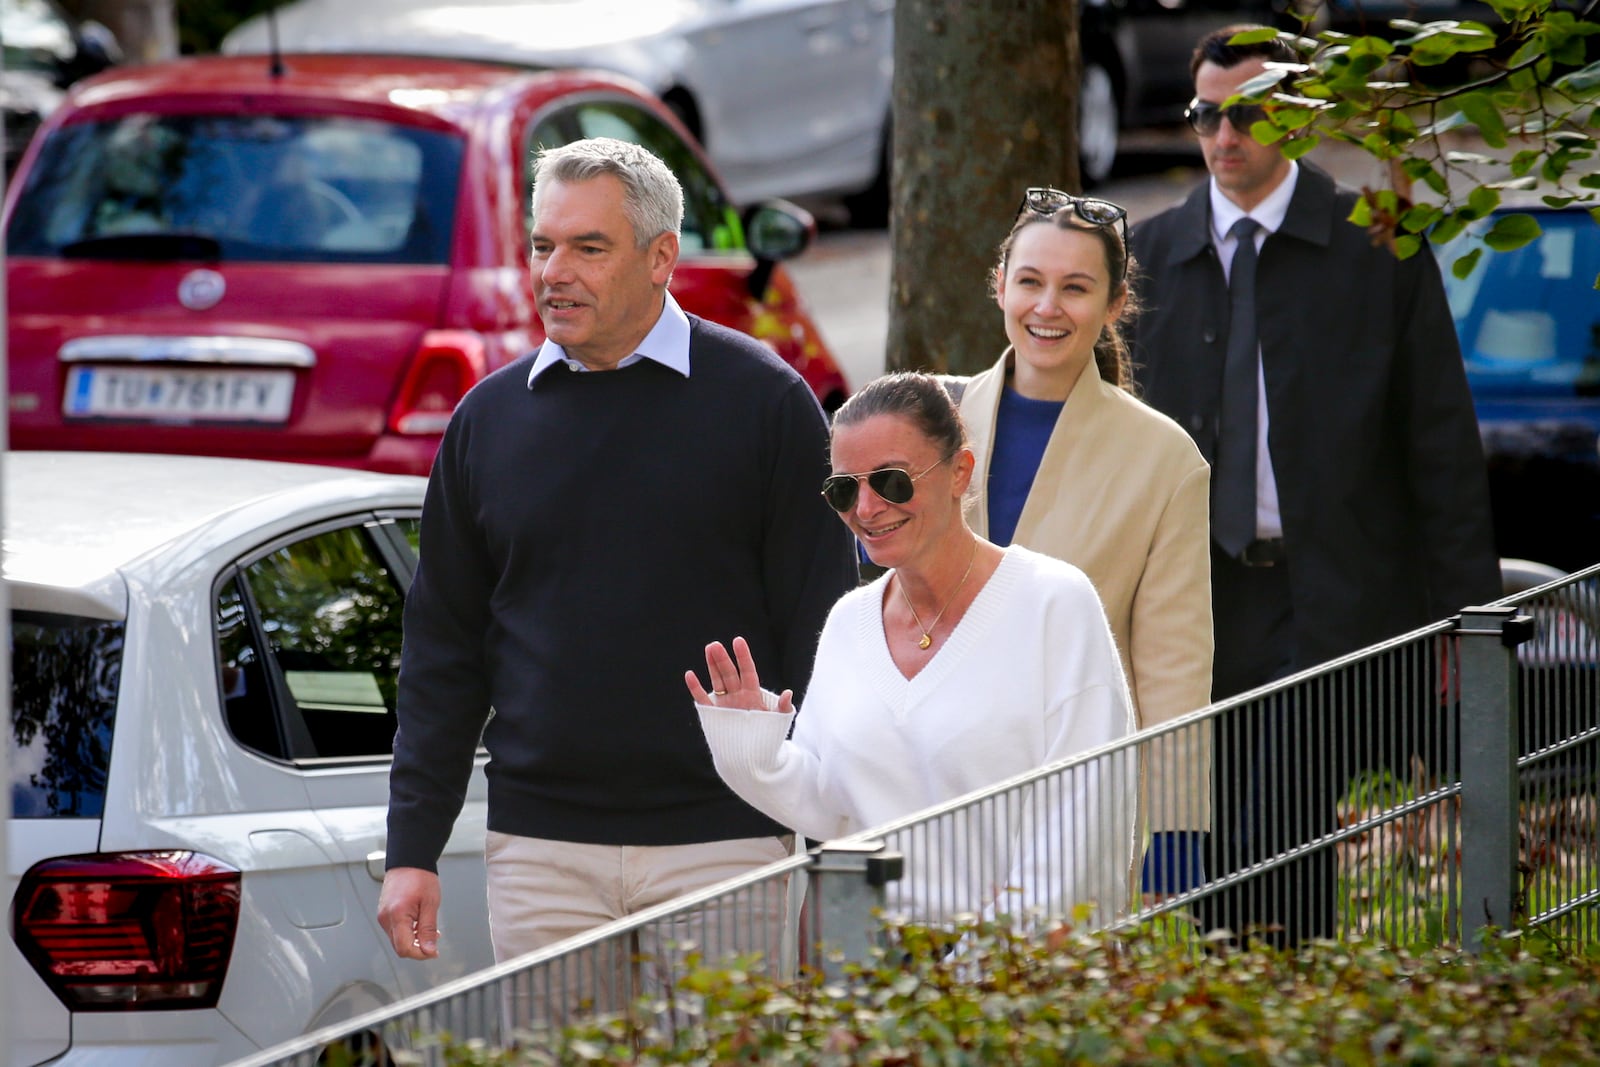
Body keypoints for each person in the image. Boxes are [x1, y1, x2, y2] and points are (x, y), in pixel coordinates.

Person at [377, 137, 859, 984]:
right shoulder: (486, 423)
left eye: (588, 248)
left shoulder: (767, 404)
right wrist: (411, 848)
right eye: (541, 244)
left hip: (728, 841)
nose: (553, 271)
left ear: (661, 256)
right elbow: (442, 652)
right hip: (539, 851)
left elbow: (824, 636)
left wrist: (822, 847)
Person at [1127, 27, 1501, 944]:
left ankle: (1264, 983)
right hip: (1197, 599)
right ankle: (1263, 993)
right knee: (1210, 828)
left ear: (1299, 116)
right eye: (1207, 114)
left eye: (1248, 113)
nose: (1224, 136)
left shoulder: (1378, 248)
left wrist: (1470, 616)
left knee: (1281, 819)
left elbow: (1440, 445)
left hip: (1331, 593)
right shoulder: (1147, 257)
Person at [687, 372, 1139, 926]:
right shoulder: (849, 622)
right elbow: (834, 807)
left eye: (892, 481)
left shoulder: (1055, 604)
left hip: (1015, 978)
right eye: (844, 490)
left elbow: (1083, 825)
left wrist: (982, 967)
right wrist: (751, 750)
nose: (868, 508)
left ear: (960, 472)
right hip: (876, 976)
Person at [958, 188, 1213, 898]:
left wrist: (1174, 827)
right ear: (1000, 283)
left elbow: (1174, 664)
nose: (1047, 307)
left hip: (1078, 801)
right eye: (1031, 281)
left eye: (1076, 288)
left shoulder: (1165, 459)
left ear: (1113, 304)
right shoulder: (936, 424)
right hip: (936, 796)